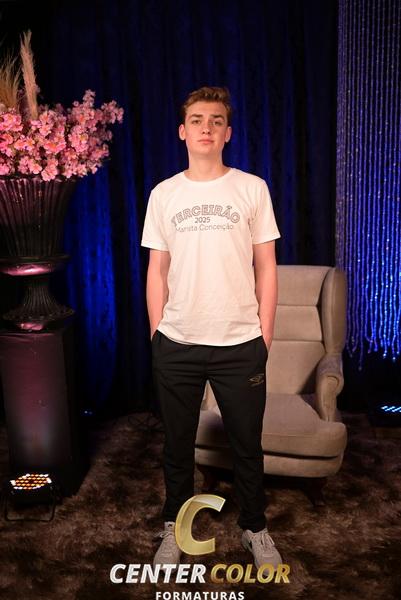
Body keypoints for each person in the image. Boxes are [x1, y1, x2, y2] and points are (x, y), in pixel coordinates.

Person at [141, 86, 282, 570]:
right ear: (183, 132)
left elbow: (267, 266)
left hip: (240, 344)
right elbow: (157, 270)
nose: (207, 127)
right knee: (177, 446)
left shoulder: (252, 188)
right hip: (177, 343)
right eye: (197, 120)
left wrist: (264, 337)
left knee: (247, 445)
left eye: (216, 120)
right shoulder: (164, 194)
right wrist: (157, 335)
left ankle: (255, 528)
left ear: (228, 132)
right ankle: (174, 528)